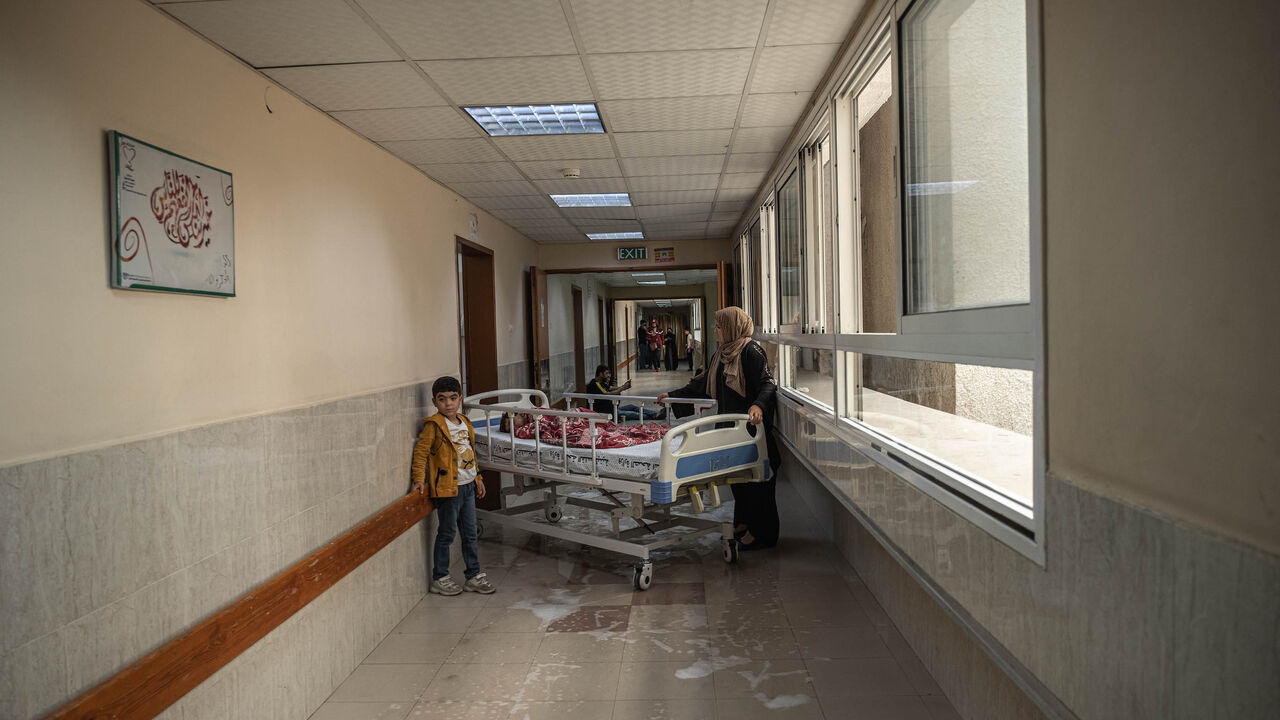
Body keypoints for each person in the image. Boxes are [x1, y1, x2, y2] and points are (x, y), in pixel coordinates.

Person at [659, 307, 781, 550]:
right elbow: (703, 383)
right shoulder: (722, 355)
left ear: (732, 327)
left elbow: (768, 384)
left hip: (750, 431)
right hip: (730, 429)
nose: (715, 330)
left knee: (757, 484)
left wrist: (758, 405)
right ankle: (743, 523)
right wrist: (672, 395)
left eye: (719, 326)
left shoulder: (751, 351)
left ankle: (762, 534)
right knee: (738, 480)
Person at [410, 376, 497, 595]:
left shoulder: (465, 422)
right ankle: (440, 577)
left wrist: (478, 477)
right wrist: (418, 479)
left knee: (469, 534)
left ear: (460, 399)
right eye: (442, 399)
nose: (448, 403)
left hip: (468, 486)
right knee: (447, 533)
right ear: (434, 402)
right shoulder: (434, 426)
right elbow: (420, 454)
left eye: (452, 398)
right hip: (448, 489)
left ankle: (473, 575)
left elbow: (470, 453)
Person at [587, 365, 662, 421]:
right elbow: (607, 393)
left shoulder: (602, 383)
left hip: (612, 408)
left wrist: (624, 386)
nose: (608, 376)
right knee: (633, 414)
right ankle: (655, 417)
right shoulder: (595, 384)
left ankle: (654, 413)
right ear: (600, 374)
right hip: (605, 413)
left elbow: (611, 388)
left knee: (631, 406)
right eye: (606, 373)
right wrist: (622, 388)